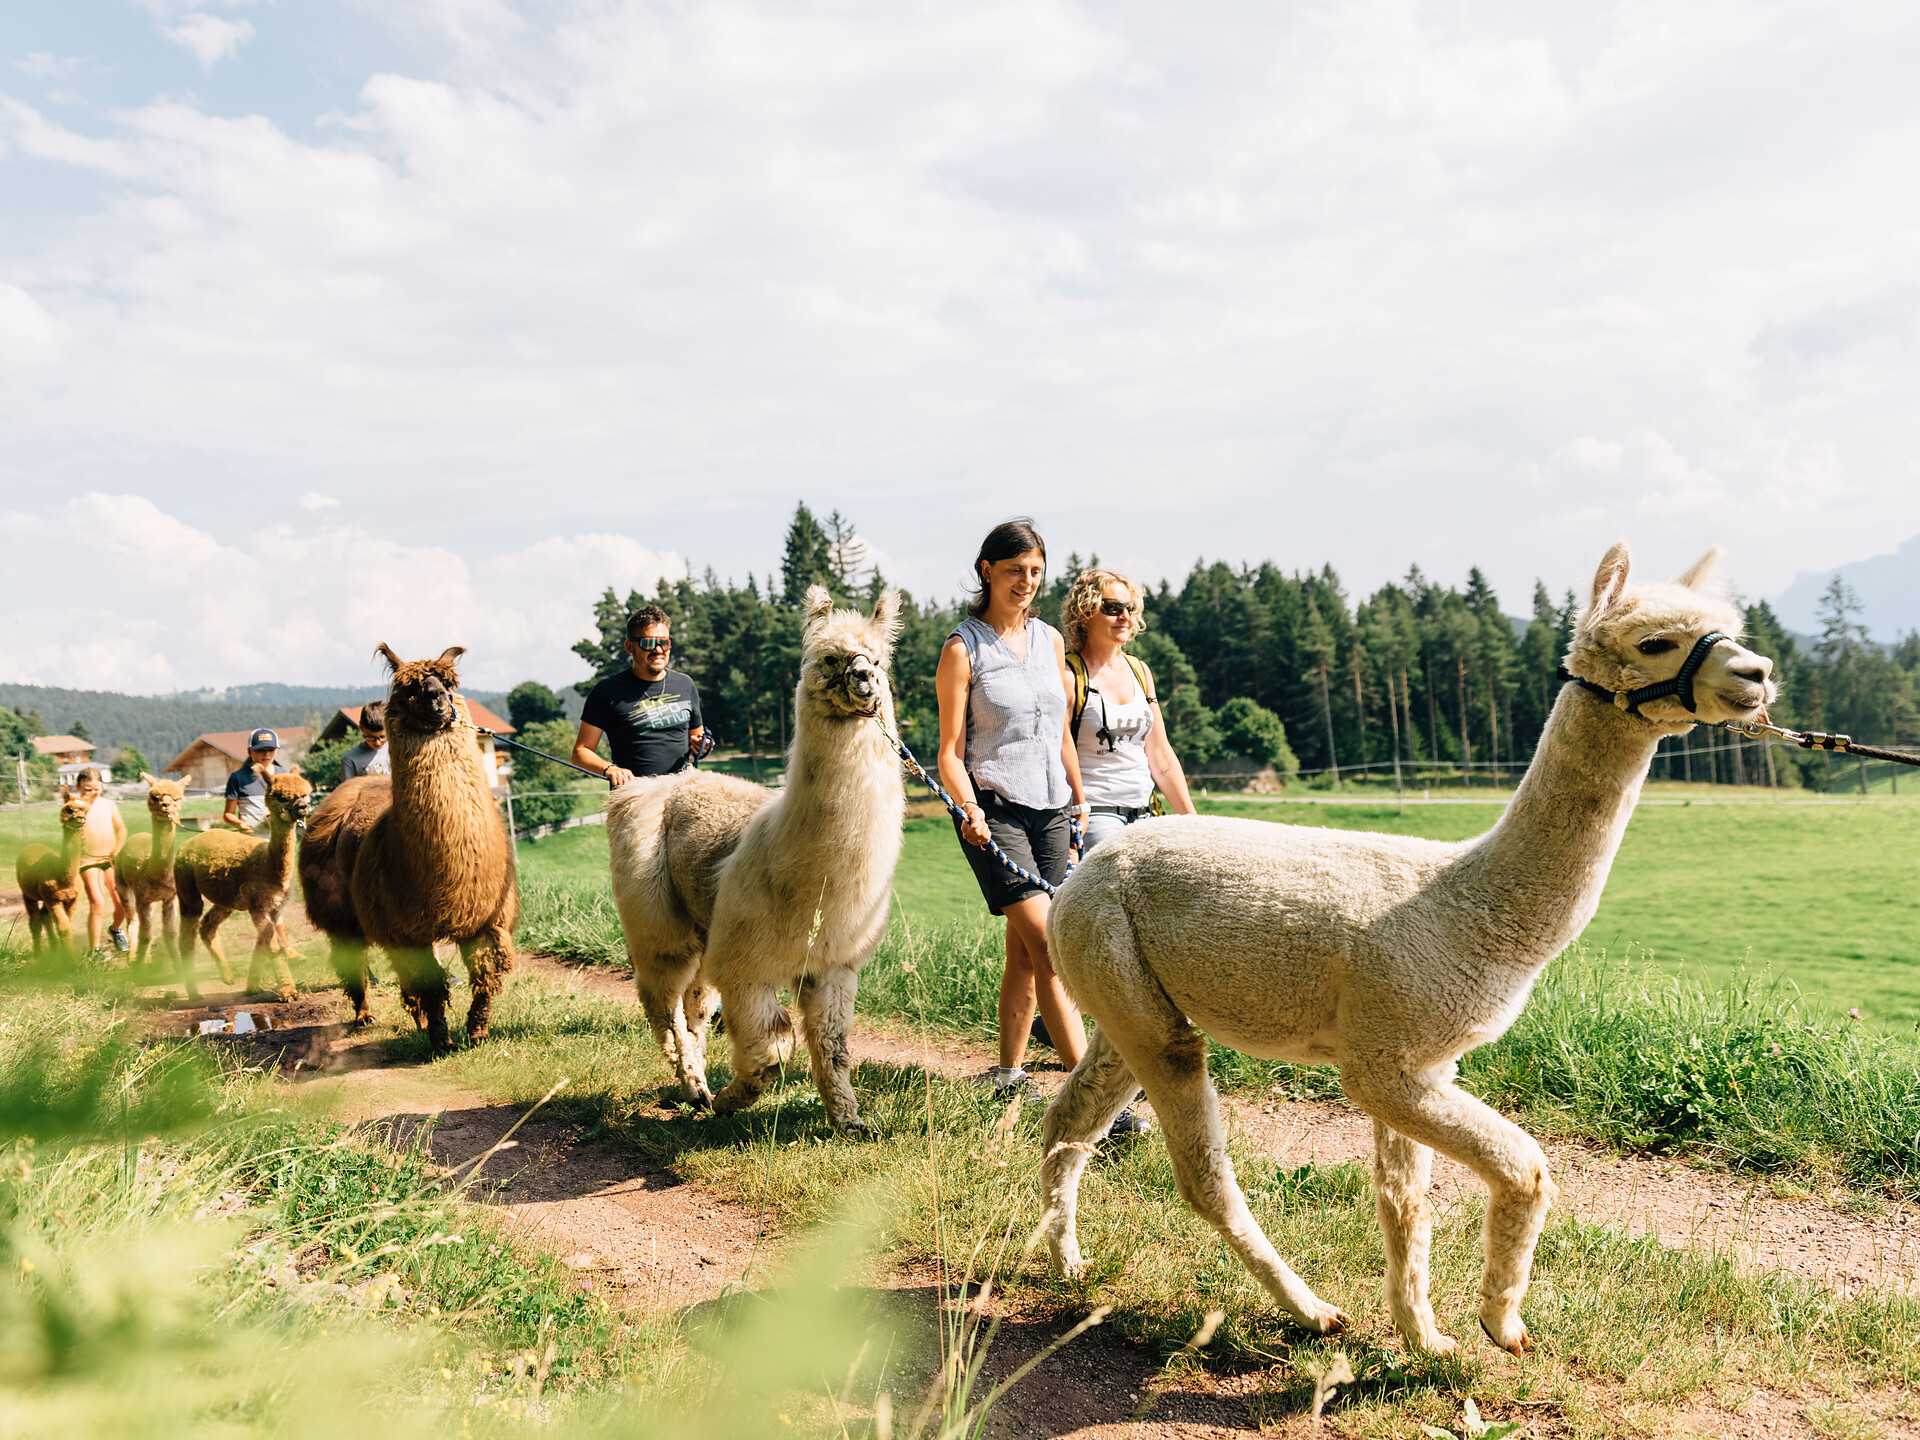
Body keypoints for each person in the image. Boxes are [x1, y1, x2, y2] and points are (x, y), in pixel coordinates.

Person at [935, 519, 1148, 1136]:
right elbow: (949, 751)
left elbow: (1059, 736)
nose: (1026, 582)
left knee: (1025, 953)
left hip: (1054, 810)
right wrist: (969, 808)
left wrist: (1080, 799)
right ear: (987, 571)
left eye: (1035, 571)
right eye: (1014, 571)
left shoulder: (1050, 640)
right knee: (1053, 947)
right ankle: (1096, 1102)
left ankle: (1007, 1074)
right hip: (994, 810)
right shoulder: (963, 649)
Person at [1060, 567, 1198, 851]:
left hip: (1147, 812)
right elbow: (1059, 751)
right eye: (1112, 608)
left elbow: (1161, 755)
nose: (1124, 616)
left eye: (1130, 608)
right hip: (1096, 815)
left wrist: (1194, 823)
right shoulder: (1068, 675)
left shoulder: (1140, 670)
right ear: (1085, 613)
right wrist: (1077, 812)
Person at [573, 604, 707, 784]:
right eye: (649, 643)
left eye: (664, 643)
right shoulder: (606, 691)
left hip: (680, 794)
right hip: (634, 796)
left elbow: (697, 744)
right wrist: (609, 768)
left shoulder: (686, 684)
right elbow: (580, 752)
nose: (658, 650)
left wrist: (703, 745)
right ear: (629, 647)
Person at [70, 767, 129, 959]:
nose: (93, 793)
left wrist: (117, 850)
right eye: (88, 789)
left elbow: (121, 830)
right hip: (88, 861)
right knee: (98, 902)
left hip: (109, 859)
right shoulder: (75, 807)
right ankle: (94, 951)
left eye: (97, 789)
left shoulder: (109, 805)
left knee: (123, 903)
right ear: (78, 787)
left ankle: (115, 929)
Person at [223, 728, 291, 832]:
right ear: (249, 751)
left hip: (280, 836)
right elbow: (228, 814)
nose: (266, 754)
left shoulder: (287, 776)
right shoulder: (237, 778)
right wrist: (239, 824)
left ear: (276, 751)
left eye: (271, 750)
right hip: (250, 837)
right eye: (260, 750)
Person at [340, 702, 392, 781]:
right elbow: (348, 787)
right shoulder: (349, 759)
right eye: (371, 737)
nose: (377, 742)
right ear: (361, 728)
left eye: (382, 737)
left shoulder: (394, 750)